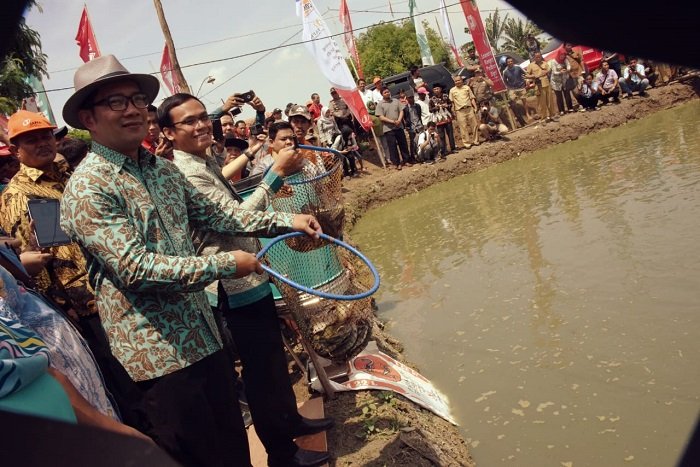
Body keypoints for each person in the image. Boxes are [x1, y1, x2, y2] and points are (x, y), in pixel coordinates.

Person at [58, 54, 322, 467]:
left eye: (137, 100)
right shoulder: (88, 188)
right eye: (116, 102)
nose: (132, 110)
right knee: (198, 456)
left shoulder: (164, 172)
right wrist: (224, 265)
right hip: (158, 354)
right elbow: (136, 268)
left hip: (204, 334)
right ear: (88, 119)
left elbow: (225, 216)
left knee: (233, 449)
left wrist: (289, 220)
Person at [161, 93, 332, 467]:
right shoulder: (187, 173)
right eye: (189, 121)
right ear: (169, 134)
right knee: (260, 374)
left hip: (251, 278)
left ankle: (291, 420)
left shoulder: (204, 161)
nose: (201, 125)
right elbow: (234, 220)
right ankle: (282, 454)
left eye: (203, 117)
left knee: (273, 361)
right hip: (230, 287)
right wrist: (275, 176)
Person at [376, 87, 412, 169]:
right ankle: (396, 163)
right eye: (385, 92)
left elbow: (401, 111)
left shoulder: (396, 101)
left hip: (399, 126)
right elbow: (381, 117)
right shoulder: (380, 104)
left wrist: (399, 120)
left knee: (403, 144)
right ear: (382, 94)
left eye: (388, 92)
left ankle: (406, 160)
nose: (387, 93)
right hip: (388, 129)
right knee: (392, 146)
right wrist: (393, 121)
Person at [525, 52, 558, 122]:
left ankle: (552, 115)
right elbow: (527, 75)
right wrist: (535, 76)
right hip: (538, 85)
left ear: (541, 56)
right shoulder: (531, 65)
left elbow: (549, 70)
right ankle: (544, 118)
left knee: (550, 101)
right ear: (534, 58)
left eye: (539, 56)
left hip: (547, 84)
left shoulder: (545, 63)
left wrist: (546, 72)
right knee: (541, 103)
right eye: (536, 57)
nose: (538, 58)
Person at [449, 75, 478, 149]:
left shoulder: (467, 88)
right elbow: (452, 102)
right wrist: (453, 111)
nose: (457, 82)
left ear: (462, 80)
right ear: (454, 82)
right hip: (459, 111)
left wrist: (475, 107)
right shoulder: (452, 90)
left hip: (469, 109)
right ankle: (467, 143)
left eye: (459, 80)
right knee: (463, 128)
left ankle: (476, 141)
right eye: (456, 81)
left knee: (474, 125)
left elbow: (472, 98)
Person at [429, 83, 456, 159]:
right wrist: (436, 108)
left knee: (450, 134)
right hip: (439, 120)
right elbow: (430, 110)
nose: (436, 90)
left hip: (447, 118)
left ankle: (453, 148)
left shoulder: (445, 96)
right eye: (434, 89)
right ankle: (443, 151)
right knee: (441, 136)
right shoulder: (431, 99)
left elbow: (450, 104)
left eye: (437, 89)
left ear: (440, 89)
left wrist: (447, 106)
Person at [502, 57, 529, 127]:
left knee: (524, 101)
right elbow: (504, 81)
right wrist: (508, 87)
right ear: (506, 63)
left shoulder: (518, 67)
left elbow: (526, 73)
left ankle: (527, 114)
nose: (510, 63)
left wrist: (527, 80)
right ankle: (517, 116)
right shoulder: (505, 71)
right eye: (508, 62)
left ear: (513, 61)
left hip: (521, 86)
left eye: (511, 61)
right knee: (512, 102)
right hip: (512, 89)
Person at [549, 50, 574, 114]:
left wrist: (567, 69)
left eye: (564, 55)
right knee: (559, 96)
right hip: (556, 81)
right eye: (561, 55)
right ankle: (561, 110)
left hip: (564, 79)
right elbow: (554, 72)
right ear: (559, 55)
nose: (562, 56)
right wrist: (560, 72)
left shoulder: (565, 60)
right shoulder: (553, 61)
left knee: (567, 94)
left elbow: (569, 66)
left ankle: (570, 108)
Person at [402, 90, 424, 160]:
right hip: (411, 127)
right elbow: (404, 118)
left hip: (419, 125)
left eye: (412, 97)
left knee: (421, 140)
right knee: (413, 142)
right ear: (407, 99)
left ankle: (422, 155)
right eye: (409, 98)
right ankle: (413, 156)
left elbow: (419, 115)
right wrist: (406, 127)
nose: (411, 99)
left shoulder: (417, 106)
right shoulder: (405, 108)